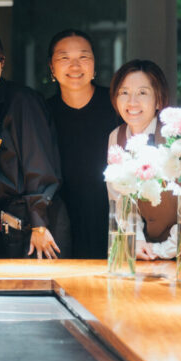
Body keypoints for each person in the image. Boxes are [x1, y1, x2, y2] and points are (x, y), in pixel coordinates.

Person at [0, 29, 68, 260]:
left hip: (39, 224)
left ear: (2, 62)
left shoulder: (22, 101)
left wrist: (39, 224)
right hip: (9, 225)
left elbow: (39, 164)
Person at [107, 60, 181, 261]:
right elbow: (120, 199)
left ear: (158, 101)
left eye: (142, 93)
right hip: (147, 253)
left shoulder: (179, 137)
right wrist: (138, 241)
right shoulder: (116, 137)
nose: (132, 101)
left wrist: (162, 250)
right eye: (124, 92)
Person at [46, 29, 121, 259]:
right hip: (61, 224)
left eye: (83, 57)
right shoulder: (43, 113)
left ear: (95, 64)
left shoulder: (117, 106)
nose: (75, 65)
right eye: (64, 58)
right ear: (51, 67)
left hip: (114, 217)